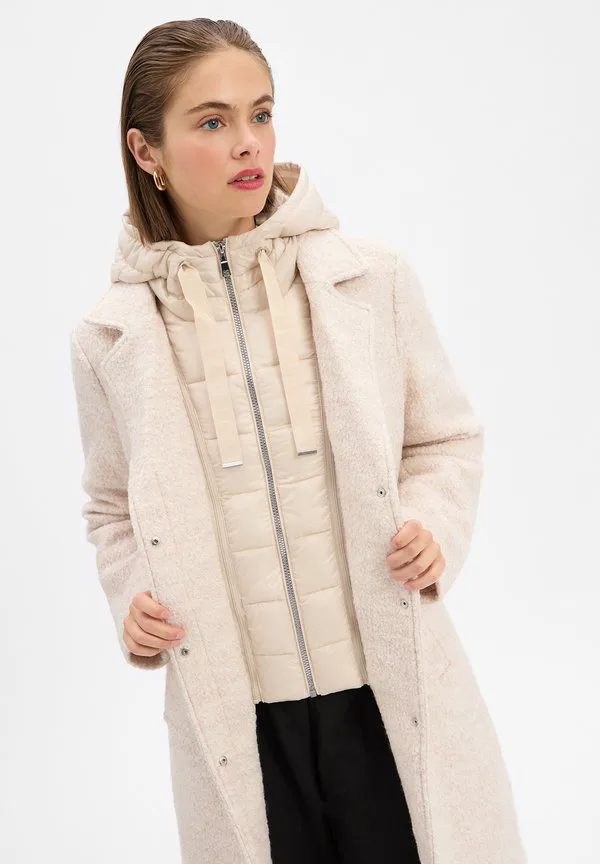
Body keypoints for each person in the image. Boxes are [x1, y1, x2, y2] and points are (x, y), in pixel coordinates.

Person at [70, 17, 527, 864]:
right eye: (212, 121)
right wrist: (133, 595)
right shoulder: (111, 338)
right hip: (245, 723)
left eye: (261, 112)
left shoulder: (369, 280)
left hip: (383, 696)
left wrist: (433, 523)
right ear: (146, 151)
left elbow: (443, 439)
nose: (248, 141)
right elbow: (109, 509)